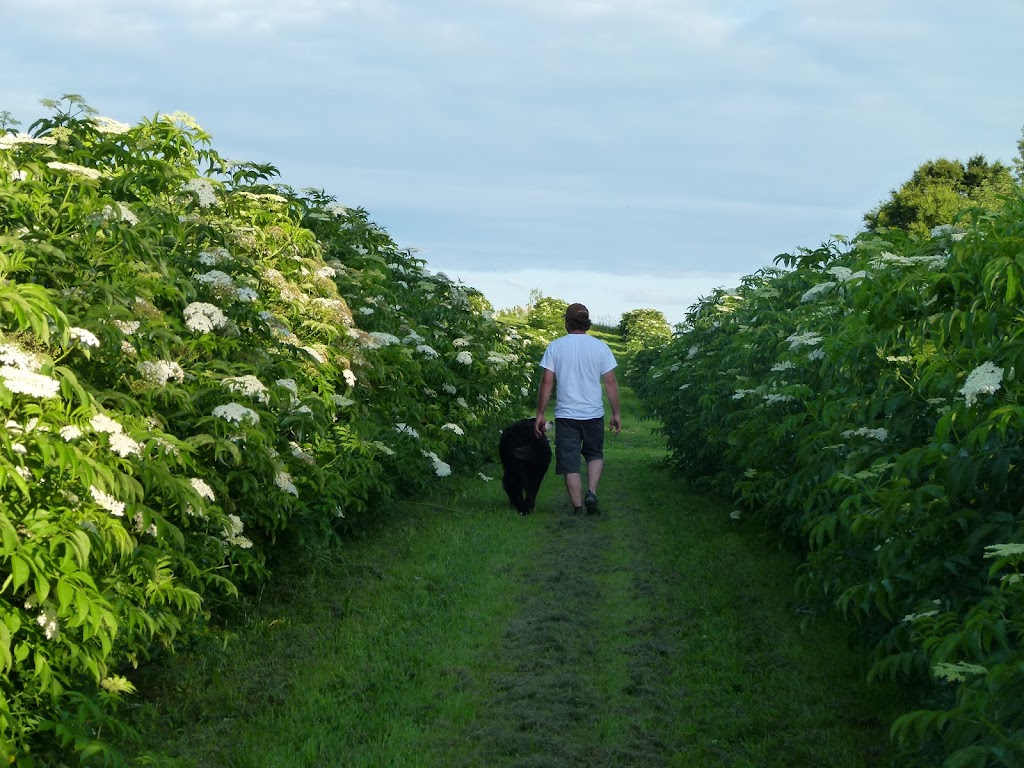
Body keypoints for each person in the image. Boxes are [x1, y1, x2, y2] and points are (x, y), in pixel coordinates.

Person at [534, 302, 621, 515]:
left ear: (567, 322)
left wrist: (540, 413)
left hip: (566, 415)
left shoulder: (556, 346)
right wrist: (616, 413)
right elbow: (610, 382)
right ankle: (591, 492)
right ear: (587, 323)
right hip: (594, 413)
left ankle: (578, 507)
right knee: (594, 454)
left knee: (569, 461)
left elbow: (547, 382)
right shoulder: (600, 347)